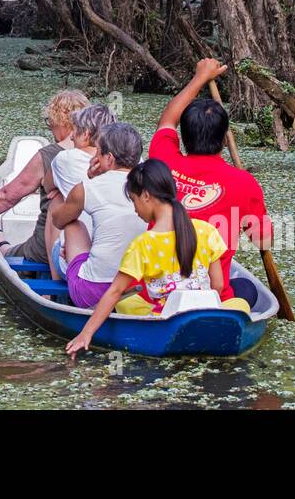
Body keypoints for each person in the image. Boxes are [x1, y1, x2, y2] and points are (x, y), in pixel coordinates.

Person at [64, 158, 231, 359]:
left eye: (134, 201)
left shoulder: (142, 244)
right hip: (205, 314)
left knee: (126, 302)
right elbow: (218, 285)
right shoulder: (206, 230)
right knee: (239, 305)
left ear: (146, 196)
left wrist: (85, 333)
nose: (135, 209)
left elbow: (115, 291)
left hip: (165, 320)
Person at [149, 57, 273, 306]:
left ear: (183, 137)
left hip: (158, 297)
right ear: (224, 140)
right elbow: (263, 241)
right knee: (245, 290)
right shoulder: (244, 182)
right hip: (212, 298)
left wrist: (200, 78)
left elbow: (167, 121)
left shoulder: (162, 161)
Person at [0, 90, 90, 262]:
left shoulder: (49, 155)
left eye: (50, 122)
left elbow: (9, 195)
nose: (51, 129)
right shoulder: (104, 154)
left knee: (9, 253)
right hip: (90, 244)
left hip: (47, 248)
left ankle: (1, 242)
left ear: (61, 121)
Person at [49, 122, 147, 310]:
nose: (94, 157)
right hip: (141, 288)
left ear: (109, 159)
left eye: (98, 152)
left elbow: (58, 220)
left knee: (72, 223)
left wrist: (88, 179)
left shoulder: (87, 188)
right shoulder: (152, 187)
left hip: (92, 292)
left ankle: (59, 290)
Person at [43, 103, 114, 278]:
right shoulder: (133, 160)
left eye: (75, 131)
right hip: (123, 262)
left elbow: (46, 185)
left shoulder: (66, 158)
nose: (72, 137)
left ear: (87, 134)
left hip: (80, 259)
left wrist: (61, 189)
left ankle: (54, 283)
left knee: (56, 202)